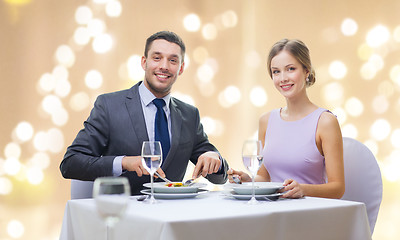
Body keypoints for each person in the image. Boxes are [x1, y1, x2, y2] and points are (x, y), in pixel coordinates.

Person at [60, 31, 228, 195]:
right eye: (157, 58)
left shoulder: (189, 115)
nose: (164, 66)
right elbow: (71, 163)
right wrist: (124, 162)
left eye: (173, 60)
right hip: (122, 214)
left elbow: (218, 177)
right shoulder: (109, 106)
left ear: (181, 68)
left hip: (172, 215)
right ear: (144, 62)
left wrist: (215, 159)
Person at [228, 39, 345, 199]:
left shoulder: (325, 121)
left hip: (311, 212)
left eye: (290, 69)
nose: (283, 78)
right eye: (276, 71)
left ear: (306, 71)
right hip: (274, 211)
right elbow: (265, 178)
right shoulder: (266, 121)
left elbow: (337, 188)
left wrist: (303, 189)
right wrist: (248, 180)